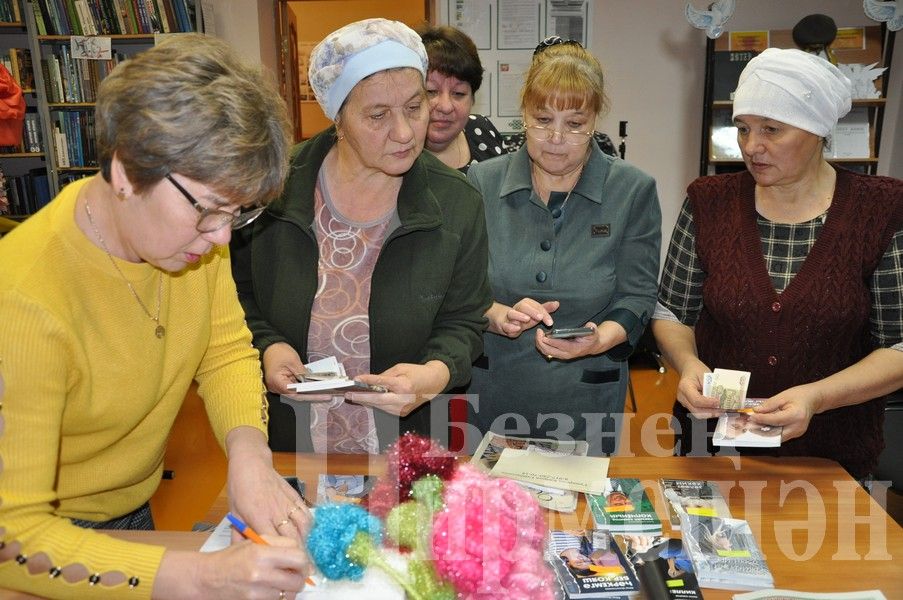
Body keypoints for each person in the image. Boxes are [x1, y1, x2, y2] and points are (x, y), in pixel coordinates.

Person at [0, 35, 313, 598]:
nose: (220, 237)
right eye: (208, 209)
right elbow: (12, 541)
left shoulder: (189, 240)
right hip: (45, 549)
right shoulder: (22, 300)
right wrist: (201, 577)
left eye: (236, 213)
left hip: (132, 515)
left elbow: (223, 351)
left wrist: (249, 456)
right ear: (125, 172)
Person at [231, 18, 491, 454]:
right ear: (339, 118)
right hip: (292, 438)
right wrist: (269, 346)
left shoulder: (456, 202)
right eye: (377, 115)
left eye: (414, 106)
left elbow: (465, 320)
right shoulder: (274, 188)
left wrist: (434, 374)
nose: (406, 133)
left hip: (408, 446)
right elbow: (237, 297)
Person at [653, 48, 903, 480]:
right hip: (710, 451)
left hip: (829, 461)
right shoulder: (709, 202)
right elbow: (672, 312)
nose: (752, 146)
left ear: (818, 130)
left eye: (772, 129)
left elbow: (898, 345)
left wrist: (816, 398)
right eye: (744, 128)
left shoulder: (880, 210)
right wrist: (688, 364)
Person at [464, 38, 661, 455]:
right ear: (523, 117)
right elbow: (458, 287)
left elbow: (638, 294)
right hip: (495, 392)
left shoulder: (632, 190)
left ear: (594, 123)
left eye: (574, 124)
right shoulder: (482, 183)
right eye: (542, 119)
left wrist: (602, 338)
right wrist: (495, 313)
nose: (555, 138)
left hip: (587, 398)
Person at [417, 24, 505, 172]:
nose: (445, 107)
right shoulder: (396, 158)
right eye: (431, 91)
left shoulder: (482, 130)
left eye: (458, 93)